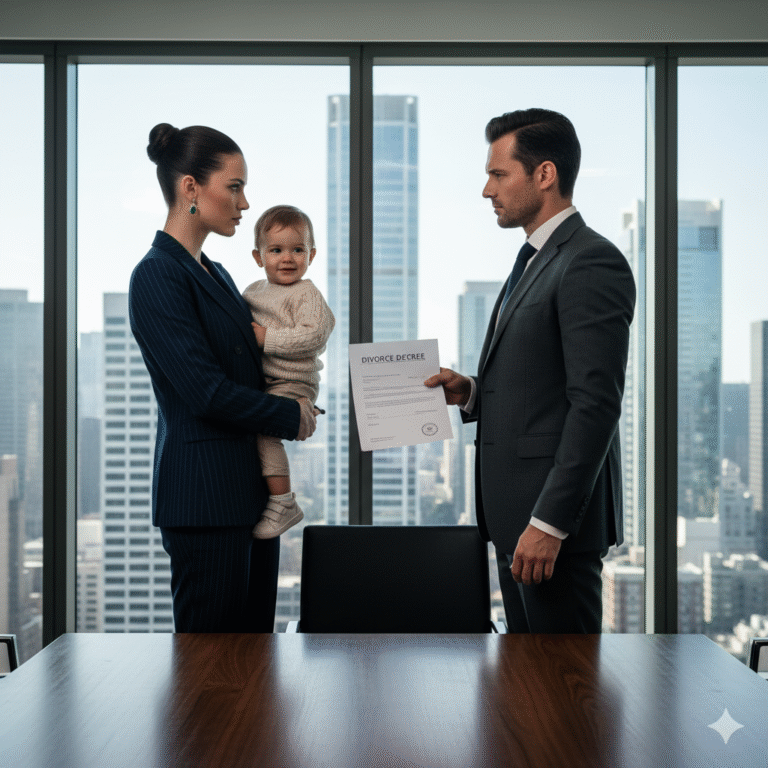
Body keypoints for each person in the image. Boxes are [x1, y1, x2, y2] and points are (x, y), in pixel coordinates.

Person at [425, 109, 636, 633]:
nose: (486, 190)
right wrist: (471, 392)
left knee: (564, 696)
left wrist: (549, 522)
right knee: (529, 687)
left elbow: (596, 403)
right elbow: (539, 388)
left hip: (550, 529)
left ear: (544, 175)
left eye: (499, 175)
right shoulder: (536, 260)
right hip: (514, 521)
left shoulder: (589, 261)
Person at [129, 123, 318, 633]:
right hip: (205, 501)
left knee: (256, 663)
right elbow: (203, 392)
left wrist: (301, 394)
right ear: (191, 187)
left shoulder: (217, 272)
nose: (244, 202)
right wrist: (287, 414)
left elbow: (254, 365)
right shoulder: (157, 274)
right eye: (233, 187)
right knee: (210, 674)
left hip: (251, 496)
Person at [242, 205, 335, 539]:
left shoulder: (306, 293)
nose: (287, 258)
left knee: (265, 434)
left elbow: (315, 335)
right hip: (263, 380)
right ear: (258, 256)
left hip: (293, 381)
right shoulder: (254, 291)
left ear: (311, 255)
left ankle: (284, 503)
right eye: (276, 250)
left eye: (298, 250)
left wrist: (268, 338)